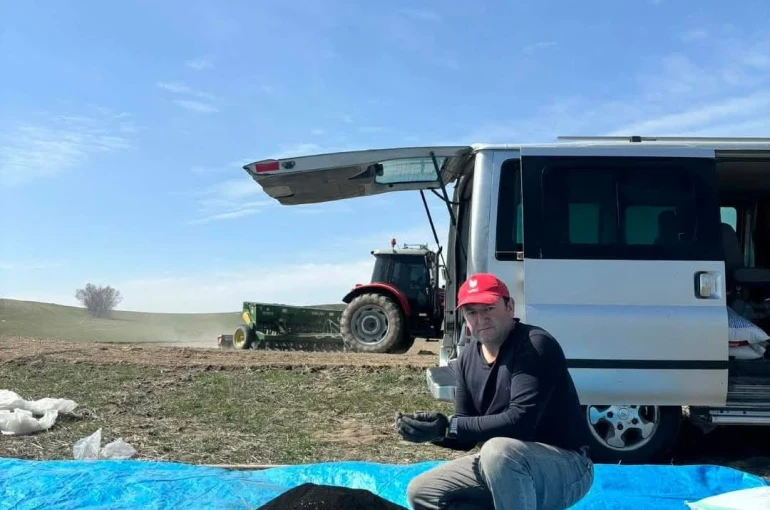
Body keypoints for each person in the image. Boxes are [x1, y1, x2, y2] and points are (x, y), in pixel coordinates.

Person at [395, 273, 594, 510]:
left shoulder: (534, 345)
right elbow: (464, 431)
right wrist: (435, 433)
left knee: (498, 451)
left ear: (509, 306)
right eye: (472, 312)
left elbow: (520, 421)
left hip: (567, 468)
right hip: (506, 467)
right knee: (422, 491)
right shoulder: (468, 357)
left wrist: (449, 426)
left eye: (488, 308)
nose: (481, 318)